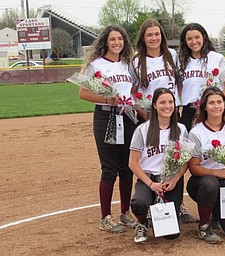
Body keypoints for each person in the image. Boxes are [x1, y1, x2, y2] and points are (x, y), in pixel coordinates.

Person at [130, 18, 194, 223]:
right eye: (149, 34)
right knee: (152, 157)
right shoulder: (137, 60)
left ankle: (178, 203)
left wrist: (179, 104)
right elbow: (132, 92)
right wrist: (143, 112)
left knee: (175, 156)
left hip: (171, 111)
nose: (154, 38)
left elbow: (180, 84)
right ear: (143, 38)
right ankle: (148, 198)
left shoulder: (172, 55)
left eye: (157, 34)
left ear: (162, 36)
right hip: (149, 115)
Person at [79, 25, 137, 233]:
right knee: (109, 168)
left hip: (128, 116)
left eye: (120, 39)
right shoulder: (96, 65)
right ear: (105, 42)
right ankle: (105, 217)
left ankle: (125, 213)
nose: (117, 43)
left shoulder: (127, 64)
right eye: (112, 39)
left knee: (127, 167)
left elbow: (134, 90)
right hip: (107, 116)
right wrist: (107, 98)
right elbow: (83, 93)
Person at [187, 87, 225, 244]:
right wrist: (216, 173)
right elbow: (193, 168)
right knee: (210, 184)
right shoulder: (196, 132)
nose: (216, 106)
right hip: (202, 183)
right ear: (204, 107)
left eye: (219, 102)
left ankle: (215, 212)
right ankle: (204, 226)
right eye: (211, 102)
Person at [128, 87, 188, 243]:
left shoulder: (181, 129)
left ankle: (158, 214)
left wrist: (175, 180)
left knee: (170, 235)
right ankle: (142, 222)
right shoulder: (142, 130)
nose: (167, 106)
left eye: (170, 102)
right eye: (162, 102)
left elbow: (185, 161)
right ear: (154, 105)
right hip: (149, 179)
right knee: (139, 203)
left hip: (171, 181)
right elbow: (132, 163)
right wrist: (151, 184)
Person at [178, 23, 225, 132]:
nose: (194, 42)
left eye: (197, 37)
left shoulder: (216, 58)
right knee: (188, 146)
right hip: (188, 112)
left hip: (209, 111)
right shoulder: (181, 62)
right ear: (185, 41)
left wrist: (216, 102)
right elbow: (179, 88)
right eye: (189, 39)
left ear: (204, 37)